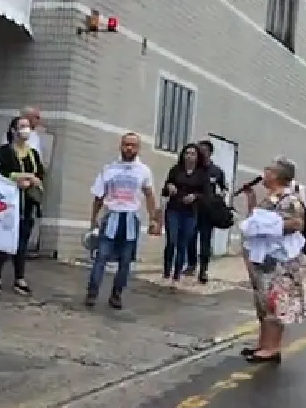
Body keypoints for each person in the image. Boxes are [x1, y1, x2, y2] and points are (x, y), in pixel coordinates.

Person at [239, 156, 306, 364]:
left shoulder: (290, 199)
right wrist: (250, 199)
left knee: (274, 301)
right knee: (262, 301)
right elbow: (256, 219)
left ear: (277, 175)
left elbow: (296, 224)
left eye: (268, 171)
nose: (263, 174)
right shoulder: (271, 198)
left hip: (279, 259)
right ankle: (263, 343)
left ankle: (272, 347)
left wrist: (269, 228)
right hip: (262, 257)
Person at [85, 132, 160, 309]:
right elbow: (98, 196)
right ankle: (92, 293)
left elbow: (150, 195)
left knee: (125, 261)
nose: (129, 148)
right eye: (126, 144)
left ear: (138, 148)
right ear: (121, 146)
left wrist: (153, 219)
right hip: (111, 216)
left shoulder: (144, 170)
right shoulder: (109, 168)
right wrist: (93, 220)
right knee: (101, 257)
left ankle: (116, 295)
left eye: (133, 145)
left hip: (130, 219)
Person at [0, 116, 44, 296]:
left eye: (28, 127)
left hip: (27, 204)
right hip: (7, 203)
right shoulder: (4, 151)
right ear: (13, 130)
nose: (25, 130)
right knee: (2, 239)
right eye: (22, 126)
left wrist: (33, 180)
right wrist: (19, 178)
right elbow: (0, 173)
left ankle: (19, 278)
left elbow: (40, 174)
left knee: (22, 241)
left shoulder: (33, 154)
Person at [161, 143, 211, 286]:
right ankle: (166, 270)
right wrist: (169, 187)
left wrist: (195, 196)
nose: (189, 156)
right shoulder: (176, 170)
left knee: (183, 244)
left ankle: (177, 274)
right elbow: (165, 189)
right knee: (172, 240)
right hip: (174, 209)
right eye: (187, 153)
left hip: (190, 212)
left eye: (192, 154)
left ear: (197, 157)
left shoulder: (202, 174)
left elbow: (206, 195)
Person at [185, 139, 228, 283]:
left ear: (210, 153)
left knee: (205, 241)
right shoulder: (195, 169)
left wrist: (221, 195)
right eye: (199, 151)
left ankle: (203, 270)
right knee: (190, 238)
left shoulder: (216, 171)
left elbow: (224, 188)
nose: (201, 153)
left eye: (203, 151)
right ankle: (191, 265)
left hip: (208, 211)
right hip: (192, 209)